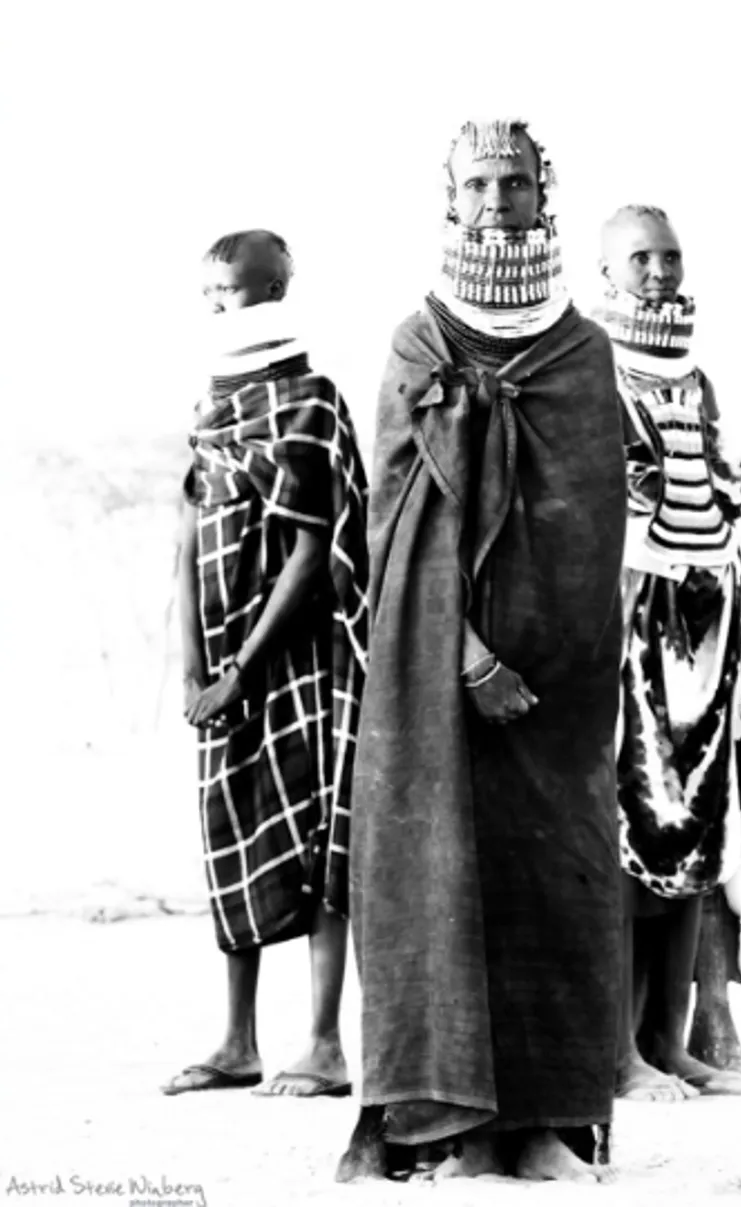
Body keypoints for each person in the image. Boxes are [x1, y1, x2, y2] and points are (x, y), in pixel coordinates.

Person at [336, 119, 627, 1184]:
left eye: (514, 182)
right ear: (446, 202)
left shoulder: (582, 351)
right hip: (439, 684)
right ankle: (445, 1129)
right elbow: (394, 530)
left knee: (555, 878)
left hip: (559, 692)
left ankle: (546, 1121)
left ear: (543, 197)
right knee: (434, 876)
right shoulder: (419, 344)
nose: (496, 200)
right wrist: (463, 657)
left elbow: (592, 528)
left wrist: (542, 666)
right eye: (477, 184)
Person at [162, 230, 369, 1099]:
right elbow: (187, 534)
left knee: (318, 840)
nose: (218, 305)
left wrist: (241, 668)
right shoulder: (211, 407)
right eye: (210, 292)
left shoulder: (310, 401)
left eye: (233, 290)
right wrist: (190, 667)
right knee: (230, 827)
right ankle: (237, 1040)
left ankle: (322, 1043)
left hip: (295, 660)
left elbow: (314, 554)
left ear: (277, 289)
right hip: (220, 663)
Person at [594, 205, 741, 1102]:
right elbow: (614, 514)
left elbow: (732, 488)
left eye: (669, 257)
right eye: (640, 259)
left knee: (696, 836)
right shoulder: (601, 371)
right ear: (606, 275)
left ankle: (670, 1042)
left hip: (709, 619)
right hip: (634, 623)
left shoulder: (694, 379)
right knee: (636, 831)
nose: (659, 273)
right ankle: (622, 1051)